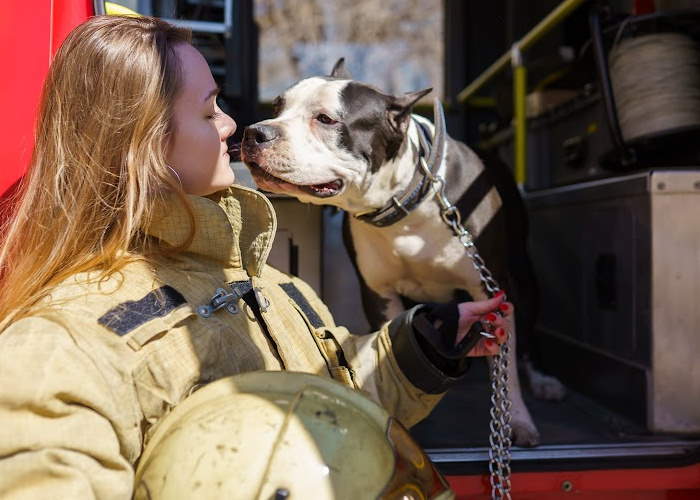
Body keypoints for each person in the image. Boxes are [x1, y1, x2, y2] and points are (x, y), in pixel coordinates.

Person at [0, 15, 511, 499]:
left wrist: (422, 344)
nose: (234, 125)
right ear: (140, 144)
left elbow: (328, 394)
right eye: (207, 112)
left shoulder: (265, 278)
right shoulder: (60, 341)